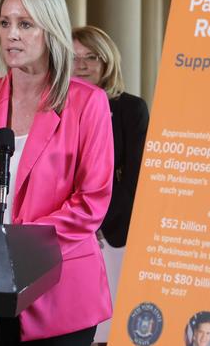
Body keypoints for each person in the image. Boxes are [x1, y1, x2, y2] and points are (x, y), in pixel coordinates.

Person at [0, 0, 114, 345]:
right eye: (5, 23)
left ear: (50, 31)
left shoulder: (89, 103)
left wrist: (19, 248)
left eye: (25, 24)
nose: (11, 35)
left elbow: (91, 201)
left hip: (62, 291)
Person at [71, 25, 149, 343]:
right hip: (67, 233)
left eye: (91, 57)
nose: (82, 65)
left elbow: (135, 177)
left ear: (107, 62)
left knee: (110, 328)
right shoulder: (54, 108)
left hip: (113, 231)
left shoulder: (131, 108)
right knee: (73, 327)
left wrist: (100, 222)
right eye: (74, 58)